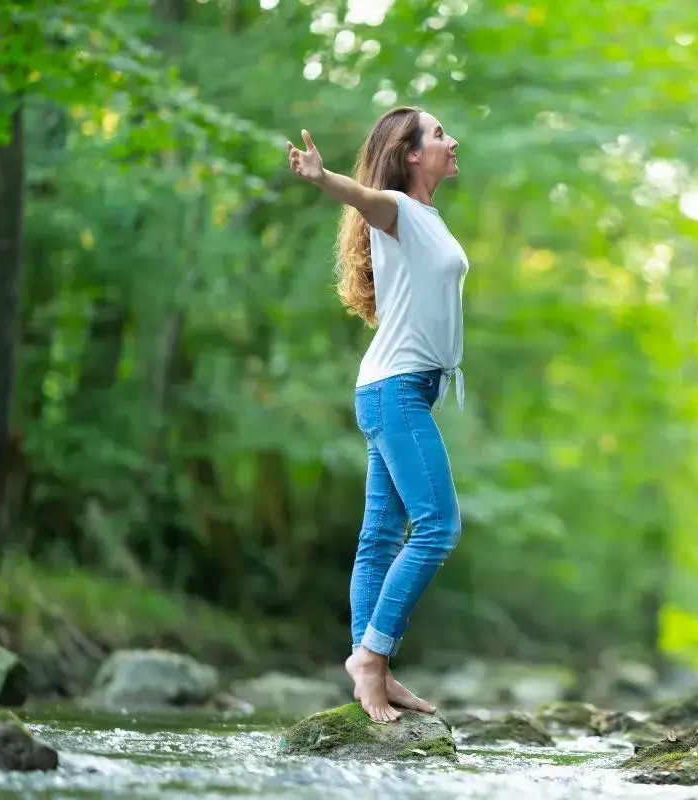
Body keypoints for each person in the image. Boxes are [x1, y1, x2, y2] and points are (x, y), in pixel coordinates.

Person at [286, 106, 467, 723]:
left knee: (380, 539)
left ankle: (373, 672)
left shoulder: (428, 218)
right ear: (411, 153)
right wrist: (321, 176)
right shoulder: (396, 206)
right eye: (440, 134)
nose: (452, 140)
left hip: (397, 389)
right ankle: (371, 656)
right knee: (438, 525)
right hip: (395, 390)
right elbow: (361, 196)